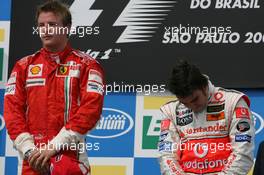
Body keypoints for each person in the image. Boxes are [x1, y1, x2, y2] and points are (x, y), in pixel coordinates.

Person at [4, 1, 105, 175]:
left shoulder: (87, 65)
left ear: (67, 28)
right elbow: (13, 113)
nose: (46, 30)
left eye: (52, 24)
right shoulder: (23, 66)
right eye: (41, 25)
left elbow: (90, 111)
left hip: (70, 158)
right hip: (34, 161)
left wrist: (53, 146)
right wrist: (29, 151)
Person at [158, 60, 255, 175]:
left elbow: (243, 153)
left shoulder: (233, 102)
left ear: (204, 87)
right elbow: (167, 155)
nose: (191, 106)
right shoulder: (171, 110)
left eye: (195, 99)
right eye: (185, 103)